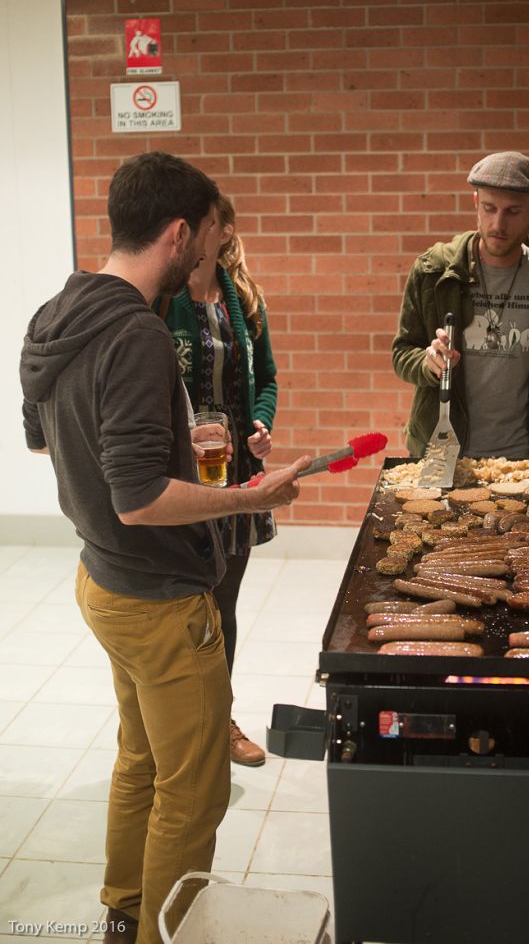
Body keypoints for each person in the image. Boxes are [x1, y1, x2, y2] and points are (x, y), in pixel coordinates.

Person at [19, 151, 310, 944]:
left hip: (100, 580)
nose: (211, 251)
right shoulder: (139, 335)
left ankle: (124, 909)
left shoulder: (55, 314)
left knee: (141, 758)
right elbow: (140, 498)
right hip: (157, 596)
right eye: (208, 235)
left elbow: (42, 441)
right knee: (194, 790)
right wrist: (250, 496)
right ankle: (161, 933)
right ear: (178, 233)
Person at [154, 194, 277, 767]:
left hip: (237, 477)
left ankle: (219, 721)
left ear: (224, 231)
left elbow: (267, 378)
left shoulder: (244, 300)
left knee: (223, 605)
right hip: (178, 478)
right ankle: (176, 727)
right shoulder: (161, 299)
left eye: (202, 222)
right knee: (182, 611)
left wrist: (261, 423)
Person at [392, 151, 529, 461]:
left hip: (522, 459)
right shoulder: (433, 271)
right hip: (441, 455)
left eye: (513, 211)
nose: (498, 224)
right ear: (476, 202)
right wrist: (428, 363)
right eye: (489, 208)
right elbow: (402, 354)